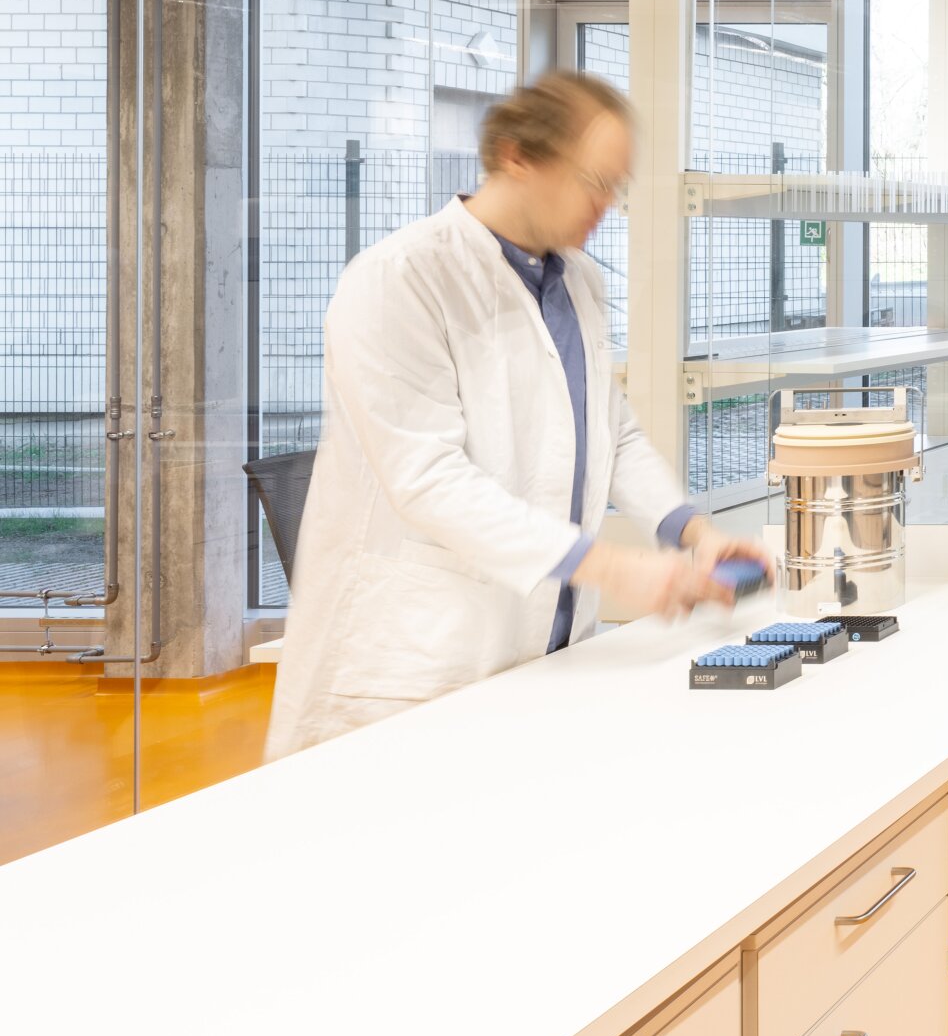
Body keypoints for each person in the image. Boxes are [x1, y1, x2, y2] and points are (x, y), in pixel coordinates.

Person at [264, 71, 772, 759]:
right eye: (595, 181)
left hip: (546, 650)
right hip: (416, 661)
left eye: (616, 188)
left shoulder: (578, 279)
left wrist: (694, 532)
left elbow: (613, 433)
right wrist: (612, 567)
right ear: (518, 156)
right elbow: (428, 478)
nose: (607, 205)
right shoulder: (398, 278)